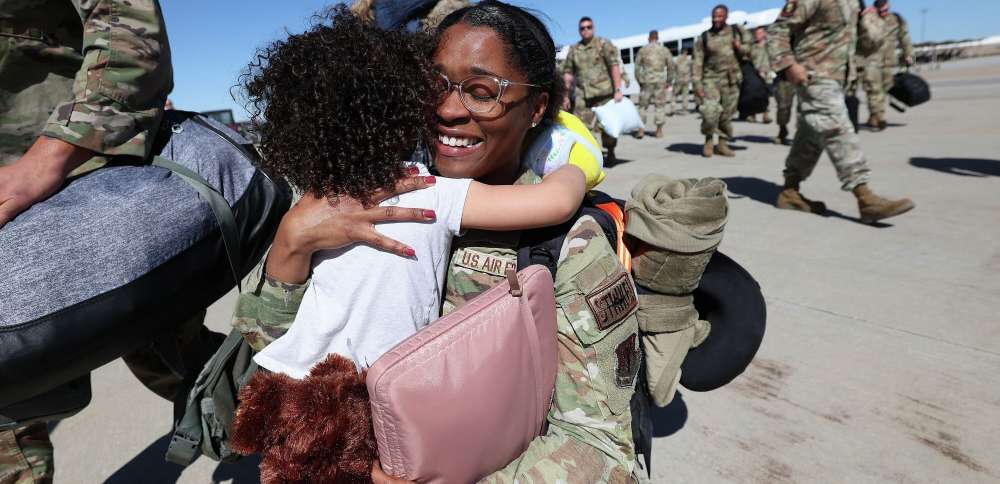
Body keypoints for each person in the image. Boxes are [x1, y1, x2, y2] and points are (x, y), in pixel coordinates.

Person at [233, 2, 643, 482]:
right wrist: (291, 245)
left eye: (483, 92)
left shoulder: (563, 242)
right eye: (434, 86)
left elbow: (603, 451)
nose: (448, 110)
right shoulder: (346, 196)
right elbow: (264, 341)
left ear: (535, 108)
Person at [768, 0, 915, 223]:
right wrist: (788, 65)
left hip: (839, 78)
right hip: (812, 74)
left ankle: (790, 191)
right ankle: (865, 197)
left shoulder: (854, 3)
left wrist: (869, 20)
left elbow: (867, 46)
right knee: (837, 128)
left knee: (811, 135)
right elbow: (778, 30)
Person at [562, 16, 625, 166]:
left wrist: (618, 89)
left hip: (604, 94)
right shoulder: (574, 49)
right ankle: (591, 157)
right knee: (581, 128)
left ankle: (610, 151)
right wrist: (565, 95)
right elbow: (568, 73)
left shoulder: (603, 44)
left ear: (593, 28)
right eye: (582, 28)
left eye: (588, 27)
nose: (586, 30)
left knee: (607, 128)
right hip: (583, 95)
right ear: (579, 31)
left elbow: (614, 66)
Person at [693, 4, 749, 158]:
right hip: (710, 79)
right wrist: (697, 84)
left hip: (731, 79)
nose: (716, 19)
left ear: (726, 17)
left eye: (720, 16)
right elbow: (697, 62)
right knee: (710, 112)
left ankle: (722, 144)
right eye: (714, 17)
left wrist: (739, 47)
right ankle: (709, 140)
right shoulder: (704, 37)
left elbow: (750, 51)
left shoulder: (736, 31)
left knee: (726, 115)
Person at [862, 0, 914, 131]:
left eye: (885, 10)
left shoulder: (896, 20)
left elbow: (904, 38)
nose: (883, 13)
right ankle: (878, 118)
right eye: (880, 11)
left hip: (888, 62)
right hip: (870, 60)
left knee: (884, 89)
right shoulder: (868, 18)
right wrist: (864, 15)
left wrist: (908, 54)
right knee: (874, 89)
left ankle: (874, 115)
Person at [634, 30, 674, 139]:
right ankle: (659, 131)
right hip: (660, 82)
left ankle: (641, 130)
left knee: (642, 106)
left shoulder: (643, 50)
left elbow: (637, 68)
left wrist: (640, 81)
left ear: (649, 38)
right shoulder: (664, 50)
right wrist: (669, 81)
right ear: (657, 38)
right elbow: (671, 66)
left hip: (646, 81)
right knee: (660, 106)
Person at [749, 26, 773, 124]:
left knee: (765, 95)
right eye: (756, 33)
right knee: (753, 94)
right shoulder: (752, 46)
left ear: (764, 33)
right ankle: (752, 114)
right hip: (754, 73)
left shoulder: (769, 45)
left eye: (759, 33)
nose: (757, 35)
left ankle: (765, 115)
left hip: (767, 72)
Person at [671, 48, 693, 114]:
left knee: (674, 94)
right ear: (686, 52)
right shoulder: (688, 60)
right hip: (686, 80)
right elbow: (691, 68)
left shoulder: (677, 59)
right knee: (685, 95)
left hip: (678, 79)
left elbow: (674, 68)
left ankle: (673, 108)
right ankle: (684, 109)